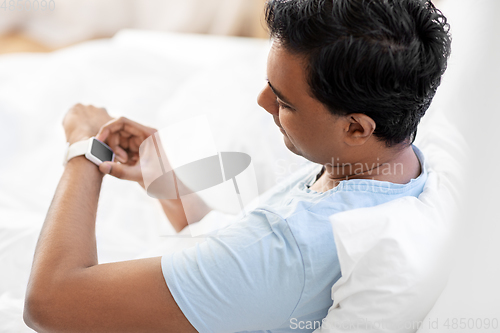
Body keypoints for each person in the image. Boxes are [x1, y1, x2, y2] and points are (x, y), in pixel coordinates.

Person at [23, 0, 451, 332]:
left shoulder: (285, 250)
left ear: (357, 127)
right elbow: (228, 268)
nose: (263, 102)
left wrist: (83, 150)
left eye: (284, 101)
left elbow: (49, 302)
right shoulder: (396, 166)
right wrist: (161, 173)